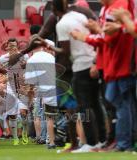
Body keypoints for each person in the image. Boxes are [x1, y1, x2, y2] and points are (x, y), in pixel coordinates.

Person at [71, 0, 136, 152]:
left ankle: (123, 142)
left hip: (121, 64)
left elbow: (109, 38)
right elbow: (111, 34)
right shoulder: (109, 8)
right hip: (113, 64)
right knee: (117, 103)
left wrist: (84, 36)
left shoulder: (119, 6)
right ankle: (119, 141)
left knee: (119, 104)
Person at [52, 0, 106, 153]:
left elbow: (66, 52)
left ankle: (90, 142)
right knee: (96, 104)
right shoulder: (79, 16)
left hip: (80, 66)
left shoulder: (61, 24)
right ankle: (102, 140)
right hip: (93, 61)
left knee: (84, 106)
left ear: (54, 10)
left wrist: (49, 46)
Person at [25, 39, 58, 149]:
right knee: (60, 116)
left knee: (48, 117)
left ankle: (51, 141)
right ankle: (58, 139)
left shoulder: (31, 60)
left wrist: (30, 94)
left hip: (44, 91)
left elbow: (30, 82)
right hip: (57, 88)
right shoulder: (51, 57)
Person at [0, 38, 29, 145]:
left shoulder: (24, 56)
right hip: (10, 87)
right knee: (12, 115)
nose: (13, 48)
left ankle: (25, 132)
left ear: (17, 46)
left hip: (21, 87)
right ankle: (15, 137)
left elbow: (27, 68)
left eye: (14, 46)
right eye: (10, 46)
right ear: (7, 46)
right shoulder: (3, 58)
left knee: (23, 112)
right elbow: (1, 70)